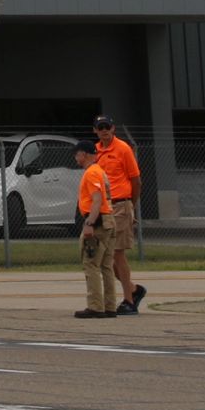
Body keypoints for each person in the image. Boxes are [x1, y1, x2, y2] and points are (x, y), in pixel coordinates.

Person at [95, 114, 146, 313]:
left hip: (120, 205)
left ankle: (129, 301)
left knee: (117, 253)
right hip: (104, 207)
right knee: (105, 256)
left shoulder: (123, 149)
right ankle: (133, 289)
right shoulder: (96, 151)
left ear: (113, 128)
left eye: (107, 127)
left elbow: (136, 180)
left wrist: (130, 205)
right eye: (100, 127)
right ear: (95, 131)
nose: (104, 131)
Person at [74, 134, 119, 318]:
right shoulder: (100, 171)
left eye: (77, 154)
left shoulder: (91, 172)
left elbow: (97, 199)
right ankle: (110, 306)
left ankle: (95, 306)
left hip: (98, 221)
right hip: (109, 219)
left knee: (91, 263)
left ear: (84, 154)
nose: (75, 158)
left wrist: (89, 223)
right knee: (106, 265)